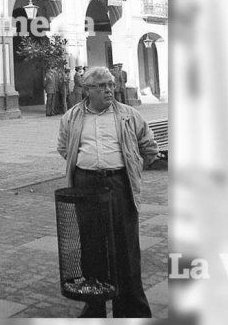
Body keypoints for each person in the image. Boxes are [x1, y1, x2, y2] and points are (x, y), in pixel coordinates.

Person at [57, 66, 160, 318]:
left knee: (125, 245)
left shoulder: (128, 115)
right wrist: (88, 164)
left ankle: (131, 308)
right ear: (87, 90)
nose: (108, 90)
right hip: (86, 185)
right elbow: (64, 147)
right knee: (91, 244)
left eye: (111, 85)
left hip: (118, 184)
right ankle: (95, 305)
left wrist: (134, 167)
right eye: (101, 86)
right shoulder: (71, 117)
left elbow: (149, 146)